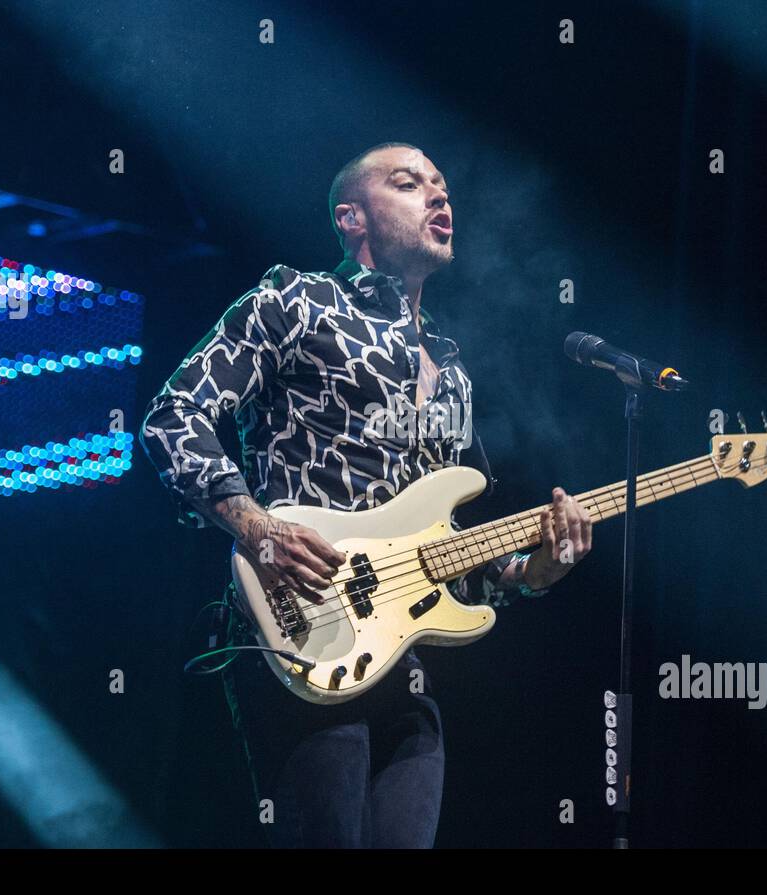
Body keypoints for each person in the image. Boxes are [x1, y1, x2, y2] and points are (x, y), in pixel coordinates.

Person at [139, 142, 593, 847]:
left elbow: (454, 557)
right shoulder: (294, 300)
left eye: (442, 186)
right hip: (300, 627)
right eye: (409, 184)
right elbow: (173, 418)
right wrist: (259, 529)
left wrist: (532, 573)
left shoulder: (452, 368)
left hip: (399, 657)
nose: (438, 197)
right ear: (352, 219)